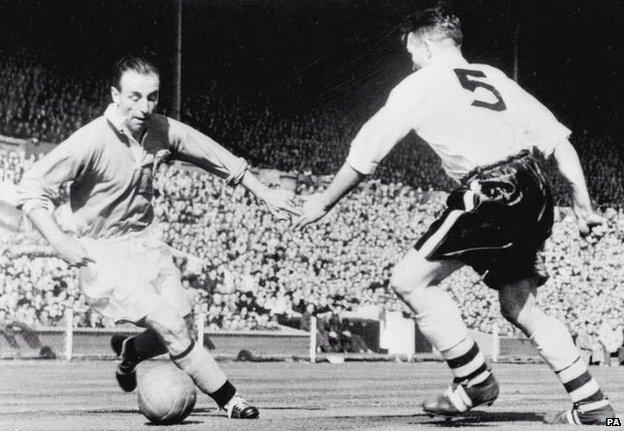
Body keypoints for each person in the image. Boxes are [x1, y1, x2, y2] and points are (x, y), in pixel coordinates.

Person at [295, 7, 615, 425]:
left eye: (410, 47)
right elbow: (560, 143)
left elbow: (365, 154)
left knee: (409, 280)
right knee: (520, 306)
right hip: (536, 188)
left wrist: (322, 202)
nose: (409, 57)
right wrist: (583, 206)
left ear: (425, 43)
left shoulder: (420, 84)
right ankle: (596, 407)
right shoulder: (494, 77)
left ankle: (474, 381)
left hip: (493, 187)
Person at [17, 54, 299, 420]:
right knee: (172, 325)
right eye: (134, 96)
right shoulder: (90, 140)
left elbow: (217, 157)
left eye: (152, 97)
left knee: (181, 319)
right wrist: (59, 241)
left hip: (147, 244)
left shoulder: (161, 129)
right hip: (104, 253)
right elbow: (30, 188)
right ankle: (231, 400)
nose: (144, 106)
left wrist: (266, 193)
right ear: (114, 95)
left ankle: (132, 351)